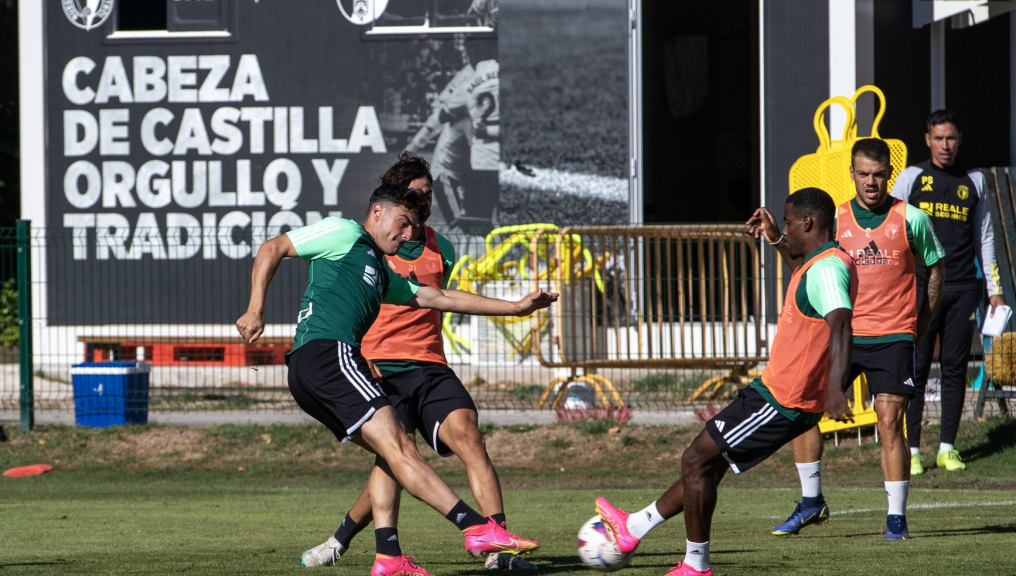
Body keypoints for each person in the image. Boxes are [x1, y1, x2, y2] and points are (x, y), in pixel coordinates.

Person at [235, 184, 557, 576]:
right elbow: (273, 247)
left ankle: (388, 558)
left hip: (315, 370)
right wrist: (255, 309)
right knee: (402, 449)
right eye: (402, 224)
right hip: (328, 354)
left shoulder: (383, 274)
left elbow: (441, 298)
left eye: (412, 228)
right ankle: (476, 529)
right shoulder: (344, 232)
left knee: (396, 452)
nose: (407, 235)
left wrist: (517, 308)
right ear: (376, 213)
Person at [593, 188, 857, 576]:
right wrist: (776, 239)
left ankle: (695, 566)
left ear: (808, 222)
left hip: (782, 400)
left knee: (695, 459)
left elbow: (841, 325)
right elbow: (808, 281)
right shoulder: (819, 262)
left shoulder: (829, 268)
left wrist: (835, 388)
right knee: (706, 465)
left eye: (787, 221)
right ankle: (633, 527)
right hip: (776, 393)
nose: (784, 227)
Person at [300, 153, 535, 571]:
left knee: (467, 436)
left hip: (429, 364)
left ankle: (498, 545)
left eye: (428, 195)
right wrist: (360, 354)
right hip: (378, 364)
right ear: (392, 199)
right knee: (397, 456)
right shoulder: (366, 243)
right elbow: (342, 296)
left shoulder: (440, 246)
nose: (423, 203)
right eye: (415, 195)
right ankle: (363, 544)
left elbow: (439, 298)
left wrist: (515, 308)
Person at [747, 138, 944, 540]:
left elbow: (935, 270)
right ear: (851, 174)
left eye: (878, 174)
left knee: (890, 423)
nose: (871, 182)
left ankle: (895, 519)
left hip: (893, 337)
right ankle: (810, 501)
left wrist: (919, 325)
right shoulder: (834, 218)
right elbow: (802, 262)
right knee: (802, 412)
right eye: (863, 174)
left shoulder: (913, 218)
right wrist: (773, 236)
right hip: (841, 336)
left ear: (889, 173)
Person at [891, 110, 1005, 474]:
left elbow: (984, 238)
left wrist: (994, 291)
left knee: (955, 367)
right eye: (938, 138)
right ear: (927, 140)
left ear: (959, 140)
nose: (945, 145)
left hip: (962, 288)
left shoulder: (975, 180)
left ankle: (947, 448)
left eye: (951, 138)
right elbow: (892, 232)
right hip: (920, 288)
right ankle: (911, 451)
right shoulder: (911, 177)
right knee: (917, 368)